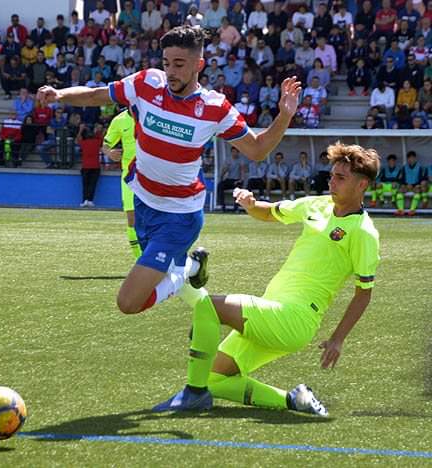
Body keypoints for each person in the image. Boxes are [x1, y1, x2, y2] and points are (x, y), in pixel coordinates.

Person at [37, 25, 301, 316]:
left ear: (198, 65)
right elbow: (97, 95)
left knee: (129, 302)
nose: (170, 71)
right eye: (166, 63)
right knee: (156, 280)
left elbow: (258, 149)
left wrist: (285, 116)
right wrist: (59, 94)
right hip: (143, 203)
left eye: (179, 64)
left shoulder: (215, 107)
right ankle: (192, 265)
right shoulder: (147, 83)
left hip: (179, 217)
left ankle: (186, 270)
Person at [153, 142, 381, 415]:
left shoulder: (364, 232)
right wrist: (251, 205)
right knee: (211, 377)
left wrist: (337, 339)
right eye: (332, 175)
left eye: (340, 178)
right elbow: (270, 211)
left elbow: (363, 293)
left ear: (362, 185)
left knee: (208, 307)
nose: (332, 182)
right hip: (272, 311)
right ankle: (294, 399)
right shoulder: (316, 204)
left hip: (295, 319)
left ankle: (192, 394)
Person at [103, 109, 141, 259]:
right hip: (129, 177)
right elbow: (105, 145)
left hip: (152, 174)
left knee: (156, 218)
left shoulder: (150, 113)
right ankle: (139, 259)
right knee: (132, 218)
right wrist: (109, 153)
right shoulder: (119, 120)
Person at [77, 123, 104, 207]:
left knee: (85, 185)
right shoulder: (97, 142)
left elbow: (77, 139)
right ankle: (90, 200)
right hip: (95, 167)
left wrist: (80, 130)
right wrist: (98, 131)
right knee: (93, 185)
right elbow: (103, 138)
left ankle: (84, 200)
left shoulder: (84, 143)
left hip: (85, 167)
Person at [395, 150, 428, 216]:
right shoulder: (404, 167)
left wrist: (417, 185)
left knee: (417, 191)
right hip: (407, 186)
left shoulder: (420, 167)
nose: (411, 159)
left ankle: (412, 210)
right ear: (407, 159)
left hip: (416, 186)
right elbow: (400, 179)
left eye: (412, 158)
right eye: (409, 158)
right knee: (399, 191)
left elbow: (423, 178)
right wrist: (405, 185)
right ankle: (401, 210)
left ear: (415, 158)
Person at [217, 146, 246, 212]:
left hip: (237, 180)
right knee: (220, 185)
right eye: (233, 152)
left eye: (236, 152)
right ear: (231, 152)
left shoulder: (241, 160)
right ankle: (222, 207)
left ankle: (236, 208)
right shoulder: (228, 160)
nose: (234, 153)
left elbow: (242, 171)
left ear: (238, 153)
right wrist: (221, 177)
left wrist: (240, 180)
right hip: (229, 179)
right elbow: (223, 171)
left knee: (238, 189)